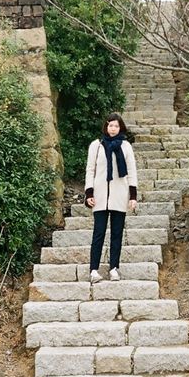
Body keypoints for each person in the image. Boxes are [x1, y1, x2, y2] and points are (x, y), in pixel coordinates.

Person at [84, 112, 138, 283]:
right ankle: (94, 270)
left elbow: (131, 171)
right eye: (110, 125)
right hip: (99, 196)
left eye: (116, 125)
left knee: (116, 234)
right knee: (98, 233)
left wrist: (133, 196)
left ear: (120, 127)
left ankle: (114, 268)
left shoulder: (126, 146)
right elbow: (90, 170)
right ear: (105, 127)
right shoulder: (96, 146)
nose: (113, 129)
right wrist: (89, 193)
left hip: (119, 196)